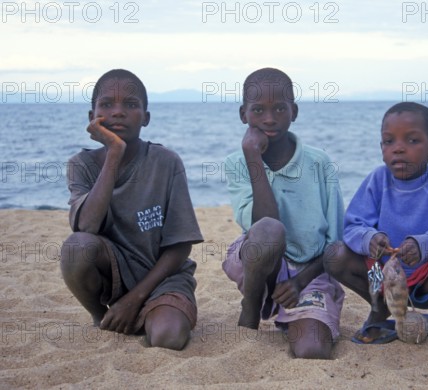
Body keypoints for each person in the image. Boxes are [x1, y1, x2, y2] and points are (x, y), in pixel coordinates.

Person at [60, 69, 203, 350]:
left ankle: (144, 311)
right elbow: (87, 227)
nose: (118, 112)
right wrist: (114, 153)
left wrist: (135, 298)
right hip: (114, 273)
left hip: (163, 277)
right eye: (107, 105)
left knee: (168, 338)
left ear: (146, 118)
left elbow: (180, 246)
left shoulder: (166, 162)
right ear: (92, 117)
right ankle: (103, 318)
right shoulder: (81, 164)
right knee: (77, 247)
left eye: (131, 104)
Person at [324, 102, 428, 349]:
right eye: (389, 141)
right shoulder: (377, 179)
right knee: (334, 254)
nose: (398, 149)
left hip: (427, 275)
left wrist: (425, 244)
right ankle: (379, 309)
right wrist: (370, 239)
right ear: (381, 147)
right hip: (380, 276)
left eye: (412, 141)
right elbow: (352, 226)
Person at [222, 67, 345, 359]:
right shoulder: (237, 163)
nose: (269, 118)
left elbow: (336, 244)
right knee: (268, 230)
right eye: (258, 110)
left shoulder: (319, 163)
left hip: (310, 272)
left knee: (312, 349)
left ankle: (298, 313)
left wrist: (300, 282)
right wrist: (253, 157)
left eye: (279, 108)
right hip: (259, 265)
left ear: (295, 111)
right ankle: (253, 305)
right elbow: (263, 223)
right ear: (243, 114)